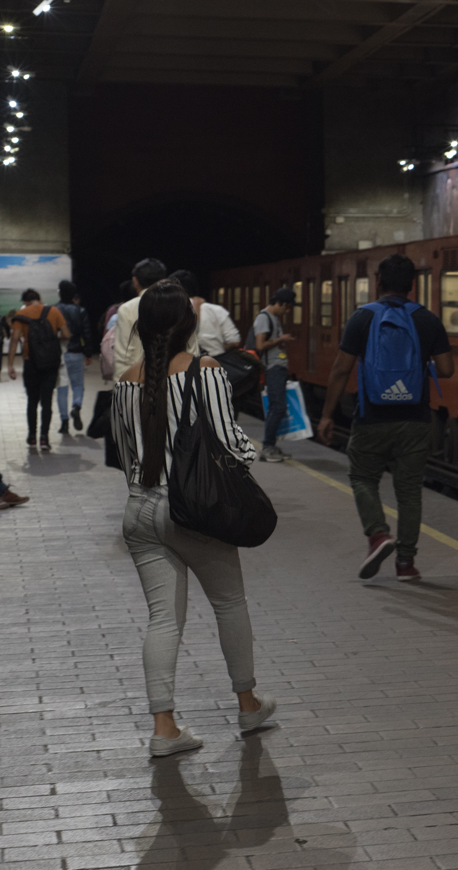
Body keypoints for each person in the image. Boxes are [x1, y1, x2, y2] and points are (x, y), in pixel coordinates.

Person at [111, 279, 273, 757]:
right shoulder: (206, 371)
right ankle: (248, 705)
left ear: (142, 326)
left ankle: (165, 729)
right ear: (190, 323)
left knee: (163, 620)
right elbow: (227, 440)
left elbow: (124, 455)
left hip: (139, 508)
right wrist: (251, 455)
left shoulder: (125, 381)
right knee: (229, 604)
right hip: (193, 513)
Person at [318, 254, 454, 582]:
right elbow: (447, 369)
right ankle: (406, 564)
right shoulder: (427, 319)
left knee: (363, 477)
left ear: (378, 282)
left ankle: (378, 535)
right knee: (409, 490)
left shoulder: (362, 318)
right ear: (413, 285)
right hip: (415, 418)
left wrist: (327, 415)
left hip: (372, 417)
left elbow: (341, 369)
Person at [8, 288, 71, 451]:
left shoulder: (21, 316)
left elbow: (14, 339)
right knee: (47, 401)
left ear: (26, 301)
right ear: (39, 299)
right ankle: (44, 438)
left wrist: (10, 365)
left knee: (32, 401)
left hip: (31, 362)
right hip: (50, 362)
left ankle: (31, 437)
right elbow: (66, 334)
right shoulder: (54, 311)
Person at [114, 258, 198, 380]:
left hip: (142, 384)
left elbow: (123, 358)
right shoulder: (183, 303)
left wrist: (122, 390)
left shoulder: (127, 309)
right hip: (182, 382)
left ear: (135, 281)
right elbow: (192, 349)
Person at [253, 287, 296, 463]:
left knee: (275, 407)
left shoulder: (272, 318)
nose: (286, 312)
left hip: (277, 367)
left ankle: (270, 445)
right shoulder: (264, 318)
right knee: (277, 407)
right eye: (287, 308)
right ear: (282, 303)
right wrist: (281, 339)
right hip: (272, 368)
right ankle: (267, 447)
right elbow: (260, 345)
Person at [172, 270, 241, 357]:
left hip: (187, 364)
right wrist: (219, 349)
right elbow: (235, 341)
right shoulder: (218, 310)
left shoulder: (173, 310)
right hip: (216, 362)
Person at [55, 280, 92, 436]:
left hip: (59, 354)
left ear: (59, 292)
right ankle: (76, 406)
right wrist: (88, 353)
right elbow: (87, 333)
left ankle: (64, 423)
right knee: (78, 384)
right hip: (76, 352)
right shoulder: (80, 311)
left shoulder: (53, 310)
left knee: (61, 387)